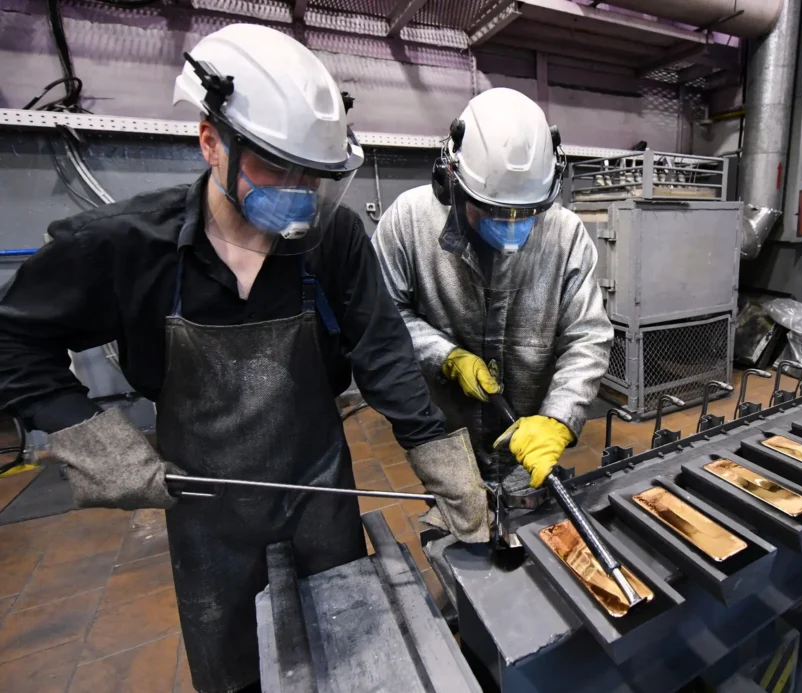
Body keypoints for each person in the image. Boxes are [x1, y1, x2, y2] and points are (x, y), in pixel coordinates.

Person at [0, 24, 487, 693]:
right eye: (274, 167)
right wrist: (92, 440)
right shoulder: (128, 246)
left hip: (320, 490)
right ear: (211, 142)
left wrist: (440, 460)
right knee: (235, 668)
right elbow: (13, 339)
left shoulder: (332, 238)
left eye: (311, 175)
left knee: (348, 656)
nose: (297, 189)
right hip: (204, 507)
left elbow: (382, 350)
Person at [372, 88, 613, 491]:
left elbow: (588, 335)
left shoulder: (565, 234)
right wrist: (445, 356)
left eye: (528, 213)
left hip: (527, 439)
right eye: (494, 210)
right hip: (446, 437)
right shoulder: (409, 221)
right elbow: (384, 313)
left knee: (527, 524)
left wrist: (559, 416)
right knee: (459, 522)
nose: (512, 224)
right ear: (452, 182)